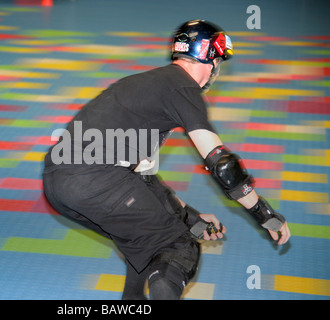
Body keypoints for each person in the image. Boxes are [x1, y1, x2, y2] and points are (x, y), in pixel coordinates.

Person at [42, 19, 291, 300]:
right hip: (96, 179)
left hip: (57, 183)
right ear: (210, 59)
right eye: (218, 62)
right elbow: (222, 164)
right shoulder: (183, 89)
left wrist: (186, 214)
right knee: (178, 248)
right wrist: (264, 213)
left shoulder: (146, 84)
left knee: (143, 245)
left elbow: (140, 177)